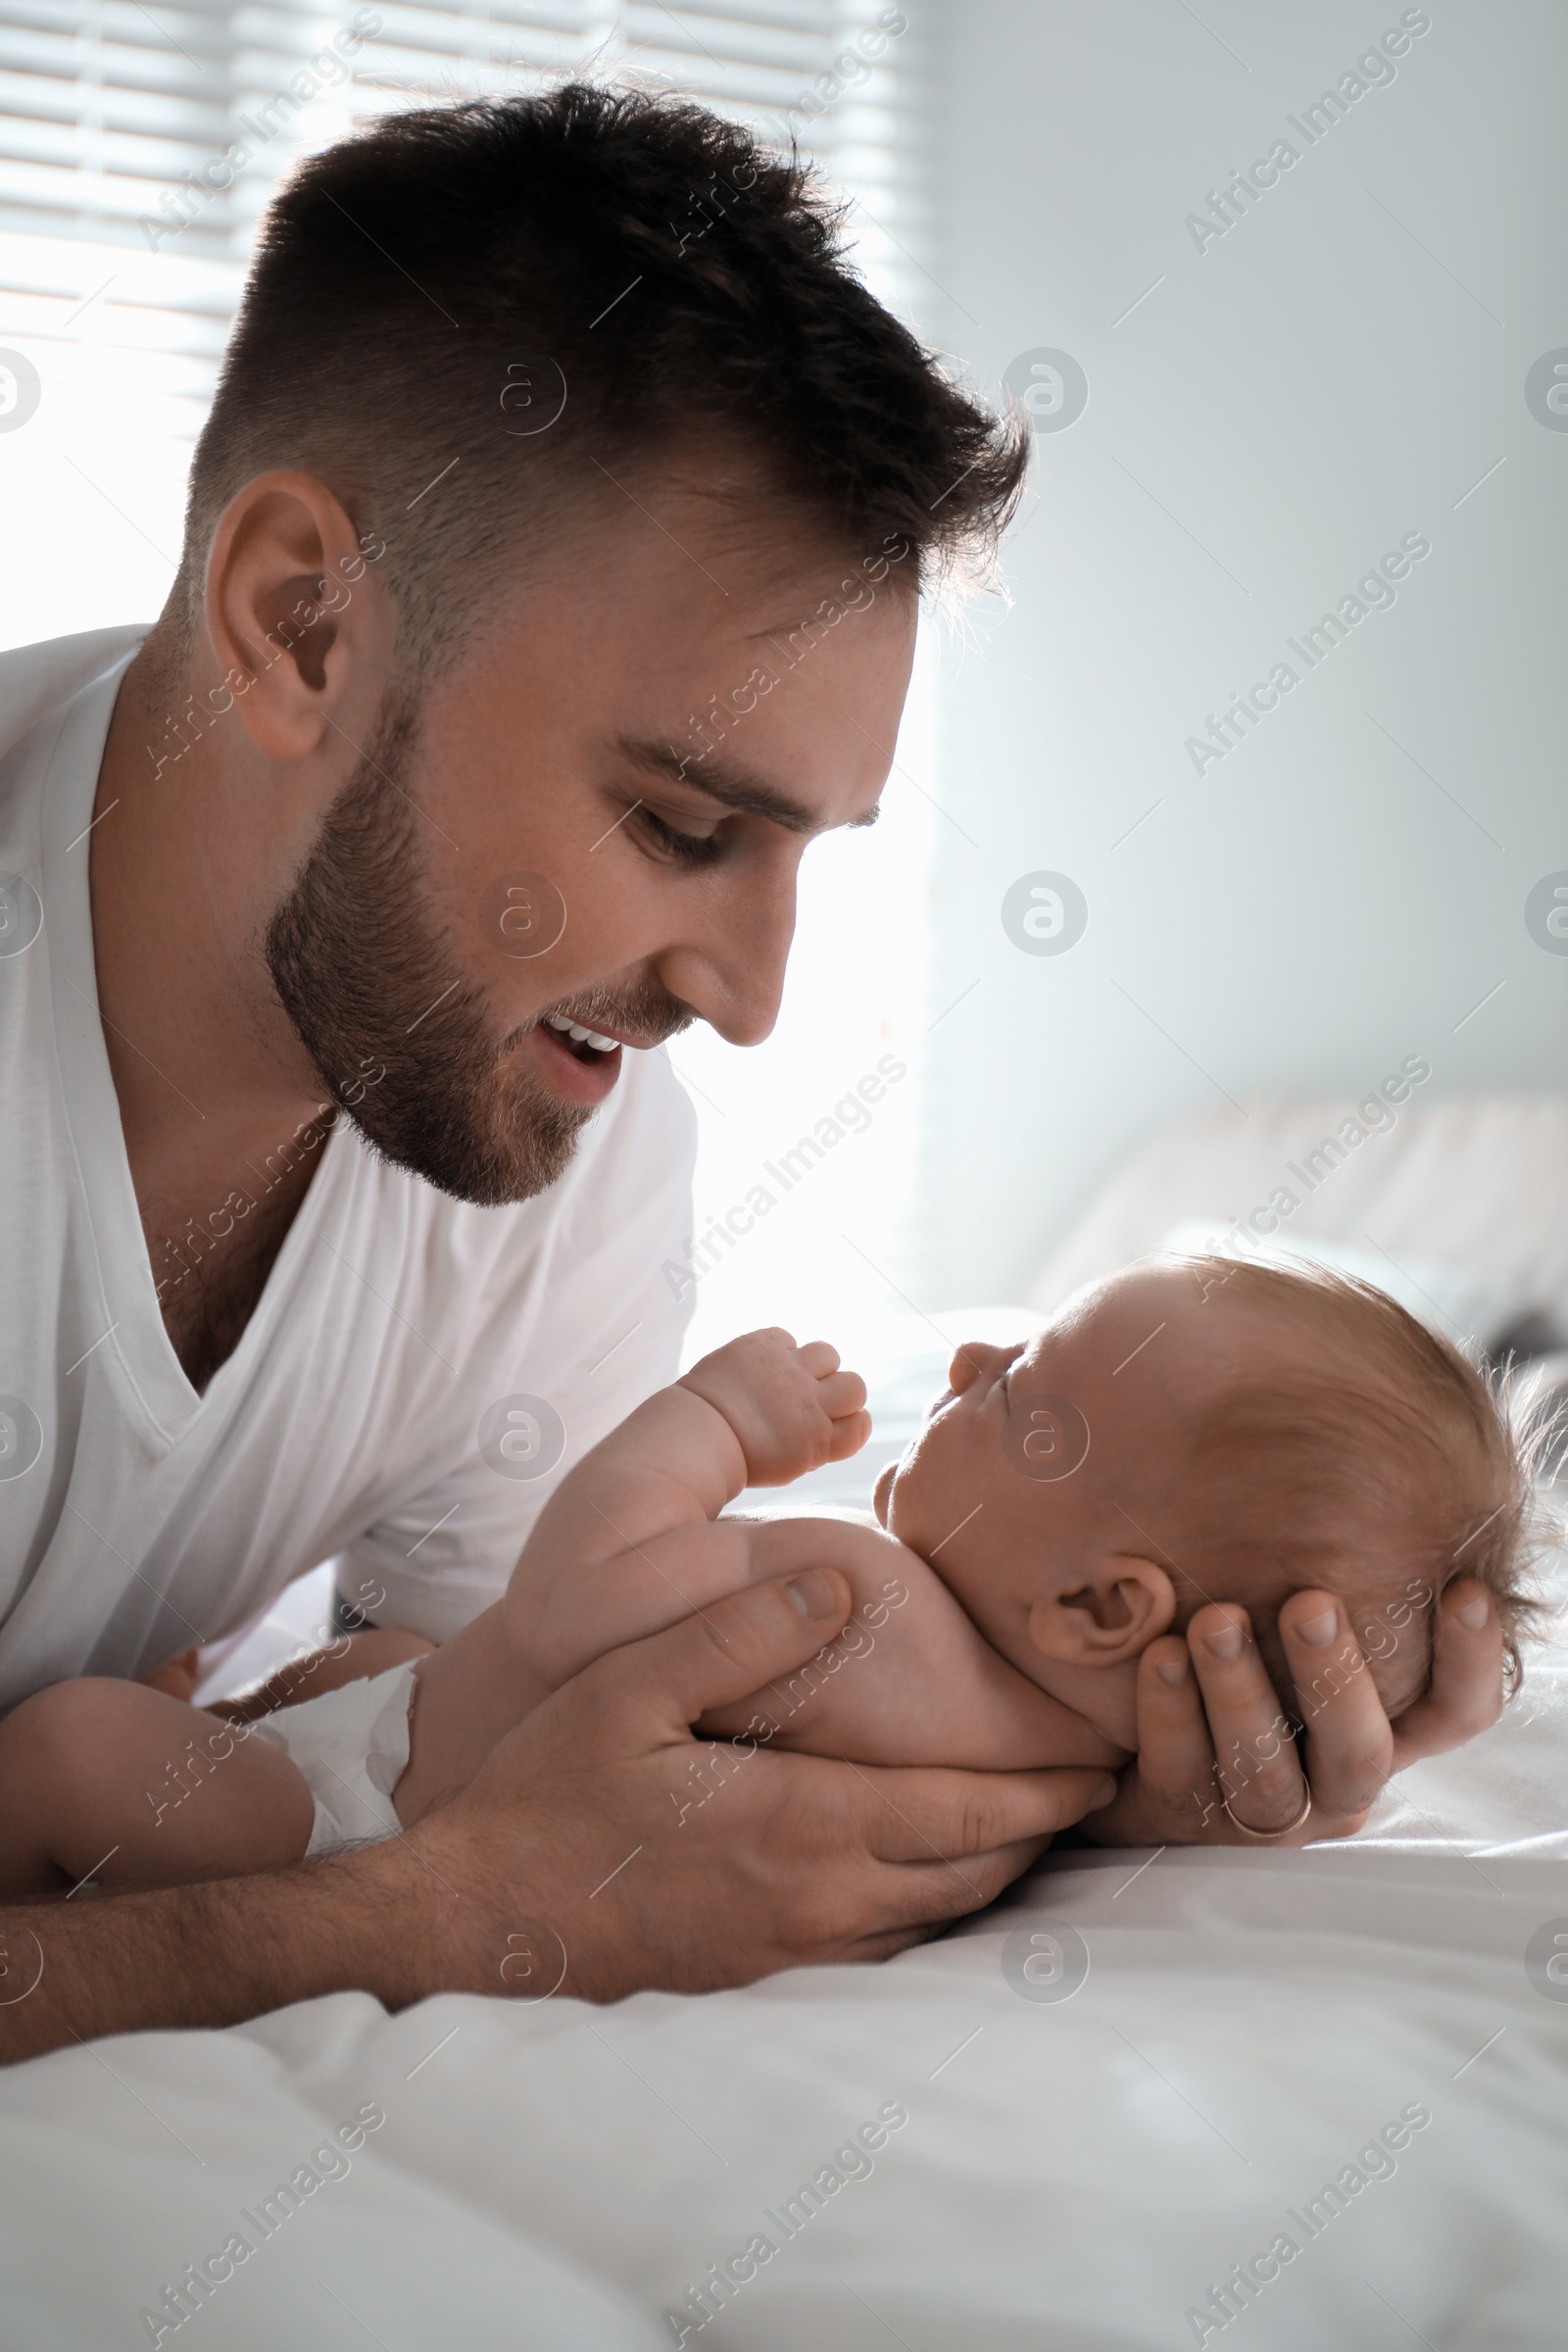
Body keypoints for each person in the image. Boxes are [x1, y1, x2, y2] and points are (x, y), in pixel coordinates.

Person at [0, 87, 1505, 2057]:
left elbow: (474, 1711)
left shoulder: (558, 1139)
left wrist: (1103, 1766)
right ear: (301, 625)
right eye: (683, 826)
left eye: (811, 855)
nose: (749, 997)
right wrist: (441, 1922)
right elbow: (455, 1862)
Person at [0, 1257, 1531, 1891]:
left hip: (354, 1822)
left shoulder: (865, 1604)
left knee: (67, 1748)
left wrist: (713, 1424)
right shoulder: (1059, 1773)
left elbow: (573, 1599)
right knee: (369, 1667)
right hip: (405, 1747)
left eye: (1023, 1390)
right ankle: (211, 1725)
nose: (978, 1353)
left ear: (1099, 1605)